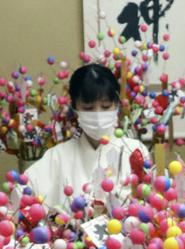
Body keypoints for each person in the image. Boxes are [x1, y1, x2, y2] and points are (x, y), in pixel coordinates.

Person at [24, 63, 147, 209]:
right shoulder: (56, 157)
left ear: (117, 104)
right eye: (88, 108)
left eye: (106, 106)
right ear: (75, 108)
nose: (98, 114)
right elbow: (24, 194)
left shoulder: (135, 151)